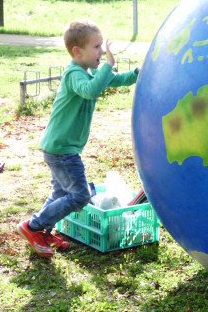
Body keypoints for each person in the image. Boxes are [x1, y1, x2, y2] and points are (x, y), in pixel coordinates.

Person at [17, 20, 139, 258]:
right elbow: (90, 90)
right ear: (77, 51)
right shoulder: (74, 74)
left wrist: (137, 74)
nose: (102, 52)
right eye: (97, 47)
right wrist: (109, 65)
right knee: (80, 195)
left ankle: (41, 230)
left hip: (59, 146)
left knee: (61, 193)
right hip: (62, 149)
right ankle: (32, 227)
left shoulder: (89, 73)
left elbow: (115, 80)